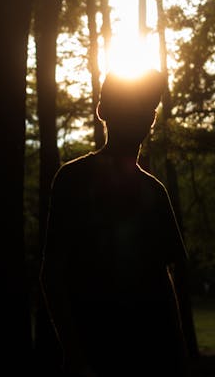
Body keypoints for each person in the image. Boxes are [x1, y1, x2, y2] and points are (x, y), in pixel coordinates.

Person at [39, 69, 189, 377]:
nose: (142, 115)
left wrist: (177, 359)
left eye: (147, 107)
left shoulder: (153, 192)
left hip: (148, 358)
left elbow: (165, 278)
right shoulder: (73, 181)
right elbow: (52, 273)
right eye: (131, 105)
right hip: (98, 354)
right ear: (103, 110)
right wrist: (75, 356)